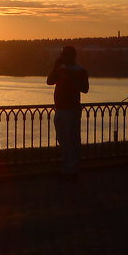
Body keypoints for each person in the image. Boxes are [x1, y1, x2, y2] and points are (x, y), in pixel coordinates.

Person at [46, 45, 89, 177]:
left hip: (72, 109)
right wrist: (55, 66)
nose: (62, 56)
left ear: (71, 56)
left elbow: (85, 88)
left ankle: (73, 167)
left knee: (72, 138)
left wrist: (72, 78)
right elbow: (49, 81)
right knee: (62, 139)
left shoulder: (80, 70)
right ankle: (67, 165)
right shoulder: (59, 69)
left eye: (64, 54)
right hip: (60, 109)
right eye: (62, 54)